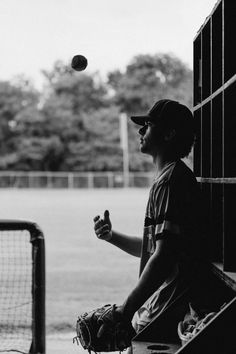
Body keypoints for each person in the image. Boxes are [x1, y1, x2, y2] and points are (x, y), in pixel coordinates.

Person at [93, 99, 207, 349]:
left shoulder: (170, 182)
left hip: (166, 311)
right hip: (162, 307)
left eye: (148, 125)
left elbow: (164, 256)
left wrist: (125, 310)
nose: (140, 131)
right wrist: (113, 236)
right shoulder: (168, 178)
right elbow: (154, 250)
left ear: (169, 133)